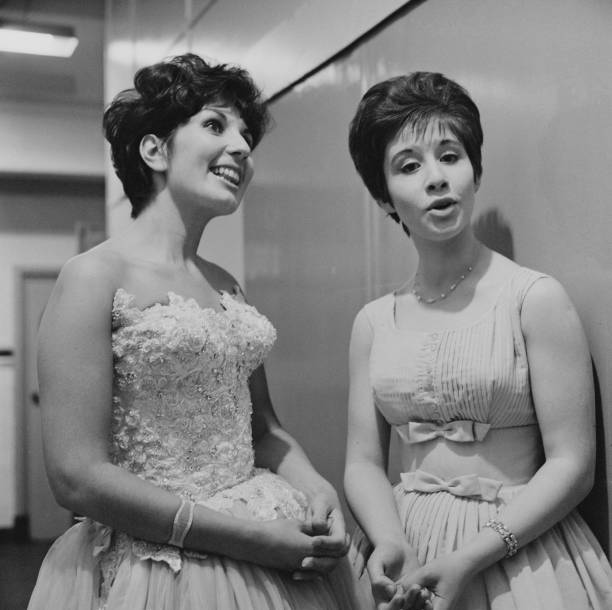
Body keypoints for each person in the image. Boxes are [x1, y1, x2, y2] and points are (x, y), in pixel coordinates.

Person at [28, 53, 365, 610]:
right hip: (159, 568)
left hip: (266, 539)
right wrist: (251, 540)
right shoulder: (92, 277)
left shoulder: (227, 285)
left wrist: (313, 484)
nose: (242, 147)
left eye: (246, 135)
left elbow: (261, 428)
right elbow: (76, 476)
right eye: (215, 125)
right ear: (154, 150)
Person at [343, 71, 612, 610]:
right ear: (383, 196)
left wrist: (470, 557)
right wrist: (390, 540)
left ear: (475, 171)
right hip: (407, 550)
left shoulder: (534, 298)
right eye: (409, 166)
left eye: (450, 156)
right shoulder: (373, 322)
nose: (436, 178)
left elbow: (573, 465)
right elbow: (363, 462)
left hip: (518, 554)